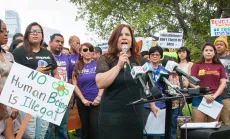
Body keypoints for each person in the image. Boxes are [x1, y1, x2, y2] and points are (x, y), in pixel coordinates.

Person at [95, 24, 158, 139]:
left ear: (131, 39)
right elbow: (100, 83)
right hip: (112, 115)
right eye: (120, 35)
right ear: (115, 39)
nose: (124, 37)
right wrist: (118, 65)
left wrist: (152, 105)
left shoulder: (140, 60)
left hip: (135, 114)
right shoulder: (106, 58)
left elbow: (146, 84)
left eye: (127, 35)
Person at [12, 22, 60, 138]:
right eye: (32, 31)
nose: (35, 34)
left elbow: (55, 73)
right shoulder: (19, 52)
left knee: (41, 133)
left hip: (44, 99)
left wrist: (59, 89)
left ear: (42, 36)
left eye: (38, 31)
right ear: (27, 35)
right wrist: (35, 74)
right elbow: (13, 76)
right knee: (28, 133)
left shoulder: (47, 53)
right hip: (26, 98)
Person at [72, 42, 103, 139]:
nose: (88, 52)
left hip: (97, 102)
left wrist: (98, 98)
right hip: (83, 102)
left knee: (96, 128)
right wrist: (82, 99)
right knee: (85, 129)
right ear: (80, 53)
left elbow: (103, 82)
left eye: (90, 49)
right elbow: (74, 84)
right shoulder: (77, 66)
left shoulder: (98, 65)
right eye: (85, 50)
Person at [45, 33, 72, 139]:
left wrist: (70, 93)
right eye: (57, 41)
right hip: (48, 97)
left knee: (62, 126)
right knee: (47, 127)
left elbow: (70, 77)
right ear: (50, 42)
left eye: (62, 42)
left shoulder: (67, 58)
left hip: (63, 95)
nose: (60, 44)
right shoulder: (45, 56)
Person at [191, 42, 226, 122]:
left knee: (213, 128)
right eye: (206, 50)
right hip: (199, 98)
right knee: (199, 128)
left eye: (211, 50)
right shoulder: (196, 65)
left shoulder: (219, 66)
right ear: (203, 52)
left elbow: (223, 83)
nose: (208, 52)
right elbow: (192, 82)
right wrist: (203, 94)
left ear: (214, 53)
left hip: (215, 99)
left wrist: (214, 96)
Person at [0, 19, 16, 139]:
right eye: (1, 31)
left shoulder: (8, 55)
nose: (6, 34)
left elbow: (16, 79)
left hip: (8, 103)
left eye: (7, 31)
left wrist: (13, 104)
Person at [214, 35, 230, 125]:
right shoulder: (211, 59)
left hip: (226, 95)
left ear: (226, 47)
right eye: (217, 45)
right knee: (214, 123)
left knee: (226, 122)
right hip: (213, 95)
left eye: (221, 44)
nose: (219, 46)